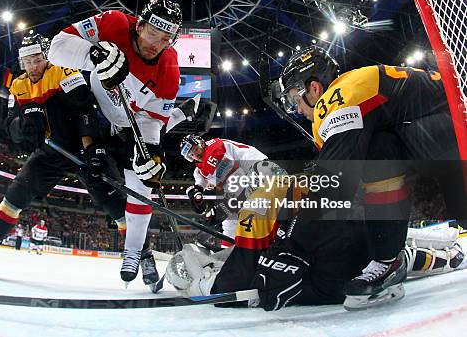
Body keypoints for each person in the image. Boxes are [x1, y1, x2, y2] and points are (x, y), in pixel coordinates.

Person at [276, 46, 466, 309]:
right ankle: (388, 260)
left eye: (295, 98)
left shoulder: (338, 98)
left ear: (314, 88)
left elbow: (334, 180)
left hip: (456, 125)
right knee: (380, 152)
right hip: (449, 123)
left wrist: (292, 247)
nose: (296, 108)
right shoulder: (353, 89)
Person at [166, 161, 466, 310]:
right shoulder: (309, 180)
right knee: (390, 248)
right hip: (372, 247)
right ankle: (449, 255)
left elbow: (226, 289)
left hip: (336, 279)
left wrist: (198, 277)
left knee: (267, 281)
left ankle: (444, 256)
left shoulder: (259, 205)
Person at [48, 0, 182, 283]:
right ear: (140, 25)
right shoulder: (113, 23)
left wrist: (152, 153)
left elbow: (153, 121)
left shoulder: (170, 71)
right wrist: (93, 54)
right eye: (152, 33)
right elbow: (55, 50)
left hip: (131, 123)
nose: (155, 44)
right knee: (95, 182)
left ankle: (133, 251)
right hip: (92, 111)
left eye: (165, 39)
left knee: (142, 182)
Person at [0, 34, 119, 274]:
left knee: (115, 203)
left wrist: (92, 149)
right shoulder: (18, 85)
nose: (33, 66)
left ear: (46, 57)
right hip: (49, 154)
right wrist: (22, 126)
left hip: (80, 151)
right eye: (27, 61)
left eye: (37, 60)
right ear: (21, 62)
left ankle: (144, 255)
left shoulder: (65, 72)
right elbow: (11, 125)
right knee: (14, 197)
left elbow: (84, 111)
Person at [180, 135, 267, 246]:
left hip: (257, 171)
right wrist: (196, 192)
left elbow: (236, 178)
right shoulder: (201, 167)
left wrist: (222, 209)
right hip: (249, 176)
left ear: (201, 143)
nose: (195, 155)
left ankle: (265, 249)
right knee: (231, 221)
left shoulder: (214, 150)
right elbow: (200, 179)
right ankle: (228, 254)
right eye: (191, 154)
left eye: (195, 149)